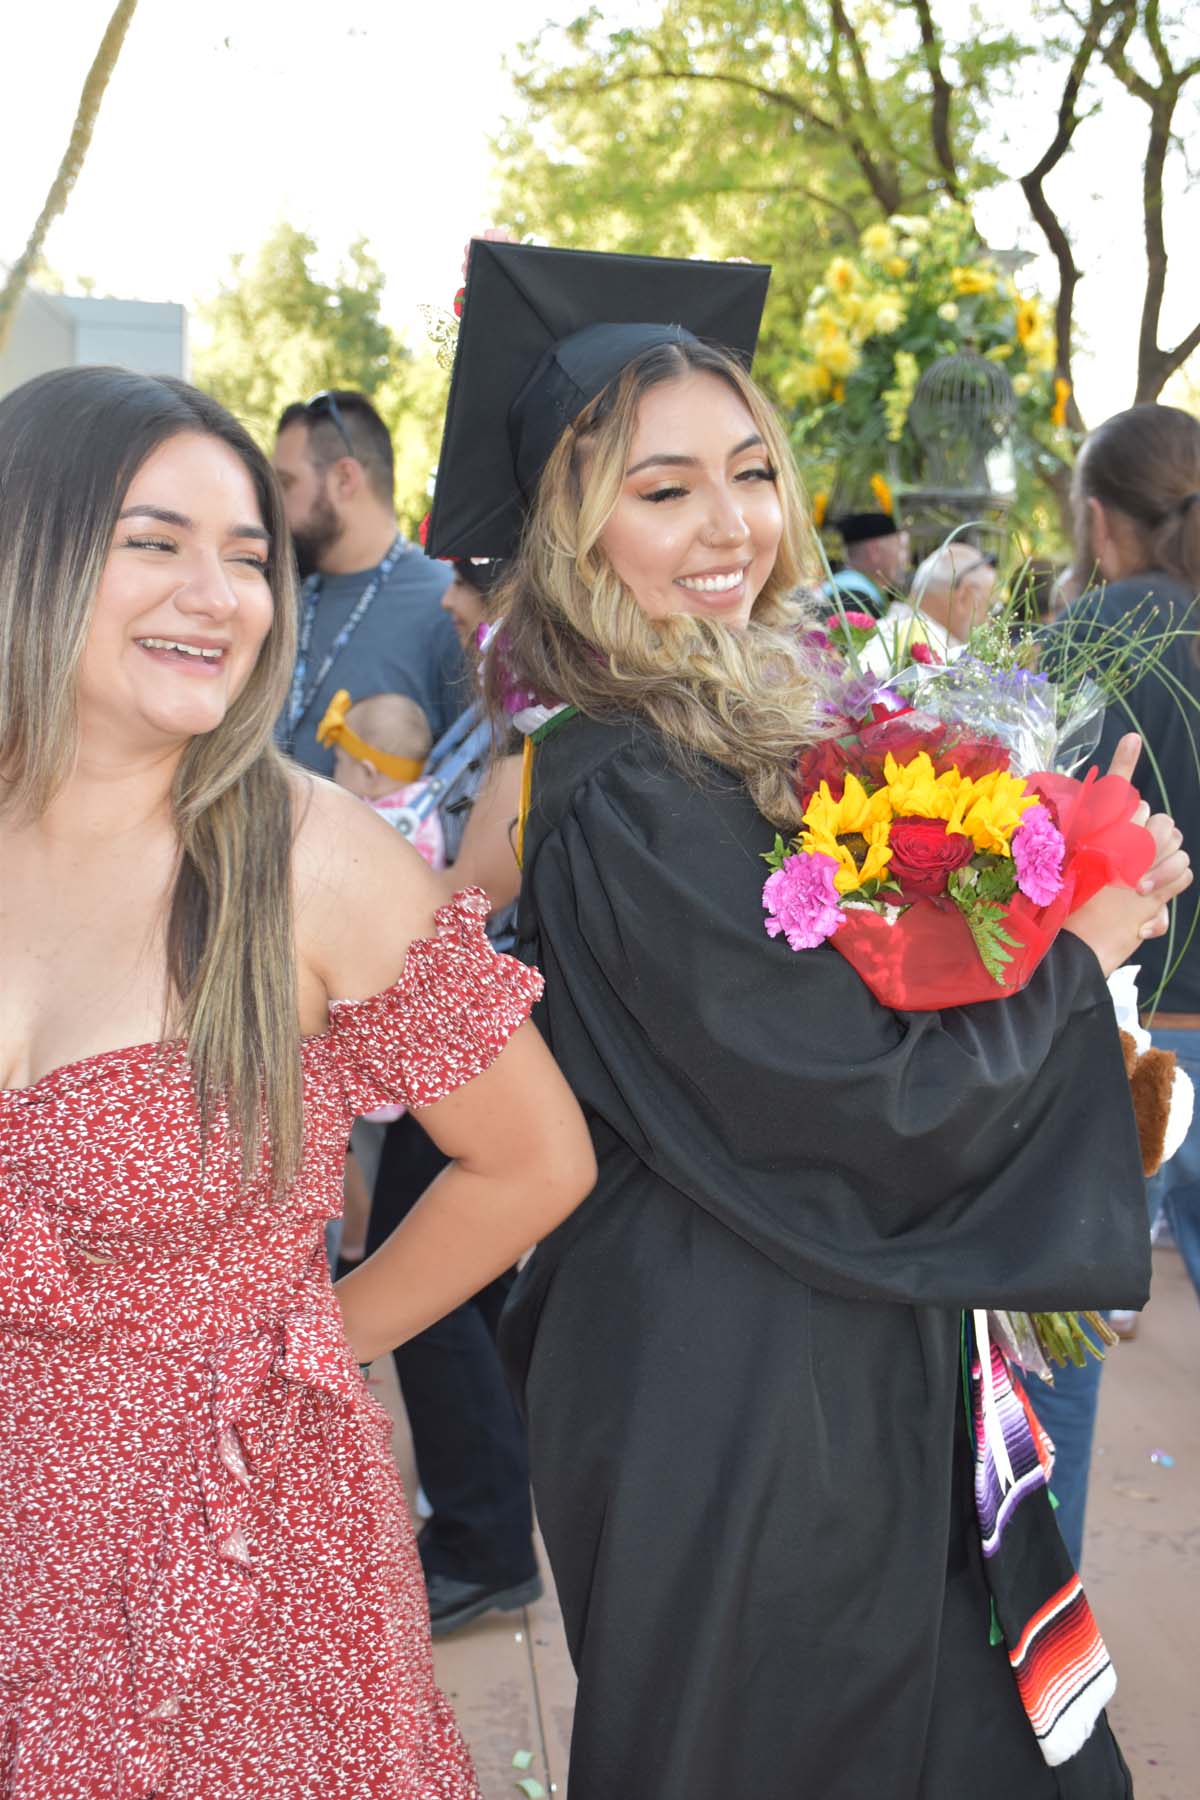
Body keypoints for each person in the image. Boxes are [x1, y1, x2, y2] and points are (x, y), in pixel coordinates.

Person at [425, 238, 1193, 1800]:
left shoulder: (738, 726)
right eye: (664, 490)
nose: (732, 525)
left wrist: (1020, 894)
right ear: (574, 530)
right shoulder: (624, 775)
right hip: (730, 1372)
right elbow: (836, 1090)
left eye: (753, 469)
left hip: (828, 1313)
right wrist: (1078, 950)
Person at [0, 365, 595, 1796]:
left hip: (231, 1573)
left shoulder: (302, 855)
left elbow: (533, 1160)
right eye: (157, 542)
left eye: (250, 555)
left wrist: (311, 1345)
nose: (219, 594)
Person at [327, 558, 536, 1636]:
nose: (449, 602)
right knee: (464, 1298)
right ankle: (486, 1522)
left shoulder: (535, 705)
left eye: (467, 579)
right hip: (457, 1029)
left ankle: (482, 1539)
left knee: (436, 1292)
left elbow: (480, 879)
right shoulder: (505, 700)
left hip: (464, 1040)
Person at [1027, 403, 1200, 1564]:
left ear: (1096, 520)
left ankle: (1045, 1635)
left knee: (1066, 1334)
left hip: (1119, 1028)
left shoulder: (1078, 643)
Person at [272, 389, 464, 772]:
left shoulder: (448, 605)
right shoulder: (282, 600)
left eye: (286, 484)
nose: (272, 505)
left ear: (345, 479)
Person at [874, 540, 997, 662]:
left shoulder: (878, 634)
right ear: (963, 596)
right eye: (990, 607)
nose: (990, 621)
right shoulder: (938, 661)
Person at [826, 508, 910, 615]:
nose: (904, 558)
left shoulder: (842, 588)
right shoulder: (853, 598)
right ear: (874, 550)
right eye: (899, 547)